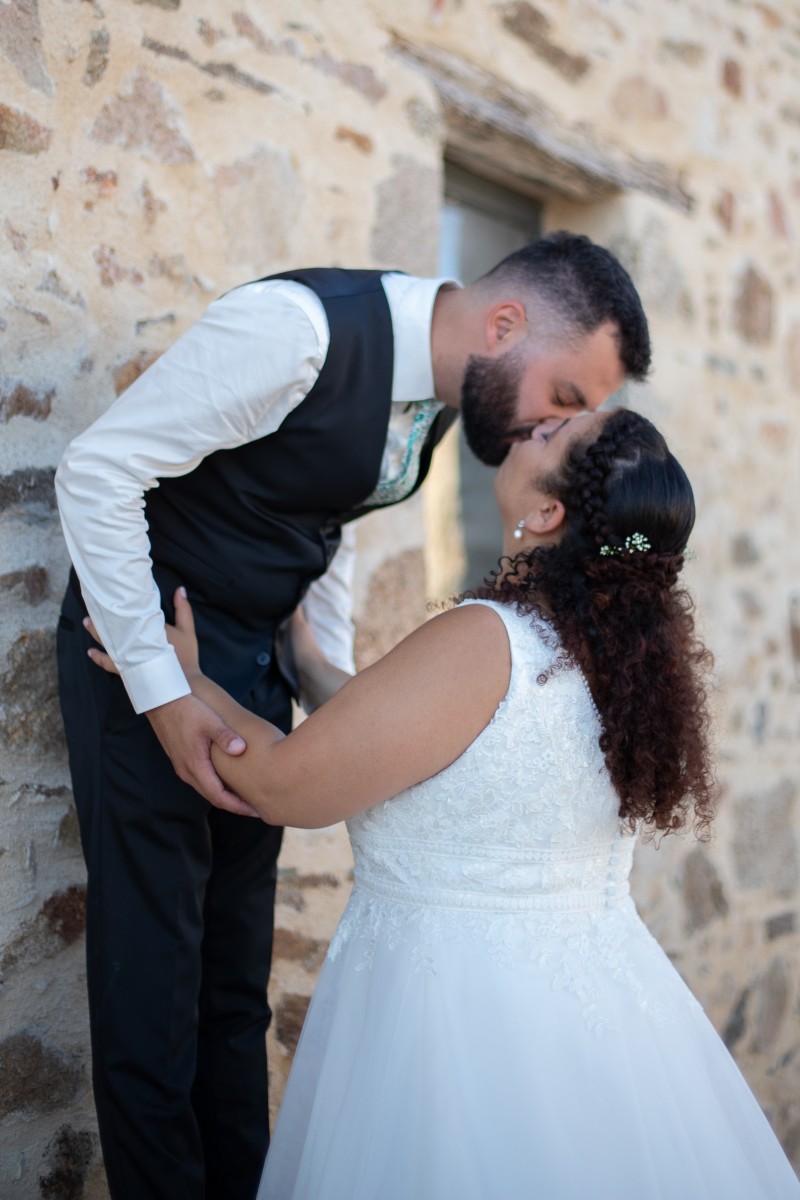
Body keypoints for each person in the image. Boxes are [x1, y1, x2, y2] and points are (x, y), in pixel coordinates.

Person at [55, 233, 651, 1200]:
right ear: (505, 325)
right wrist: (159, 690)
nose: (557, 425)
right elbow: (97, 471)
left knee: (234, 992)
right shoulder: (295, 333)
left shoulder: (457, 403)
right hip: (142, 654)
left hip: (252, 671)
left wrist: (314, 665)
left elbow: (320, 524)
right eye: (568, 397)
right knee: (152, 987)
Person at [87, 406, 800, 1199]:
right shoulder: (610, 661)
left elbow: (284, 783)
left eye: (549, 437)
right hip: (597, 1015)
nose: (533, 424)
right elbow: (424, 735)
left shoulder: (482, 636)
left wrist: (177, 676)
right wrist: (312, 661)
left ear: (545, 513)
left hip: (451, 1026)